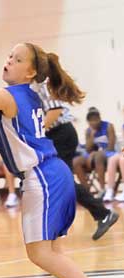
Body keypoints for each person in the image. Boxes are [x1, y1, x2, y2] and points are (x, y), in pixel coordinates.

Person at [0, 43, 119, 278]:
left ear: (32, 72)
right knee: (53, 251)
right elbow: (22, 130)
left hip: (43, 177)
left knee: (38, 252)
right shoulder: (29, 97)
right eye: (9, 56)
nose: (9, 60)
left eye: (18, 59)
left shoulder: (12, 95)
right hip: (54, 173)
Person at [37, 83, 118, 241]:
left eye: (15, 58)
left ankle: (103, 213)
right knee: (59, 180)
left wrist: (36, 132)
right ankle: (101, 214)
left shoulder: (40, 84)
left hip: (60, 134)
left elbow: (55, 110)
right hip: (55, 135)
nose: (10, 60)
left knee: (63, 180)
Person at [73, 107, 116, 197]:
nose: (93, 122)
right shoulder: (88, 131)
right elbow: (88, 150)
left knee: (98, 156)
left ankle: (102, 189)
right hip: (93, 156)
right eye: (91, 120)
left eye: (95, 119)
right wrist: (92, 136)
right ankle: (87, 191)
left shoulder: (108, 126)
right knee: (76, 161)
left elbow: (111, 147)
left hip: (109, 155)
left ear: (100, 118)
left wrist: (94, 154)